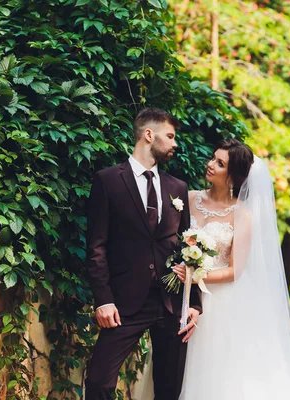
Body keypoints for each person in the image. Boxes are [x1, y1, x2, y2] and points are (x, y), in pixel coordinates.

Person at [173, 139, 290, 399]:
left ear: (233, 176)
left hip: (221, 303)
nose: (211, 165)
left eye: (220, 163)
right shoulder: (188, 199)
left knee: (216, 375)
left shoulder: (242, 214)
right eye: (213, 159)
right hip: (182, 297)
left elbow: (235, 271)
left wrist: (195, 277)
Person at [85, 107, 202, 400]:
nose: (175, 144)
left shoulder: (178, 187)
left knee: (169, 388)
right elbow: (96, 245)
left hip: (171, 303)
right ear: (149, 135)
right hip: (124, 302)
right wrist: (104, 300)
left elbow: (188, 249)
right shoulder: (108, 180)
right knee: (99, 380)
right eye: (170, 136)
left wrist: (193, 302)